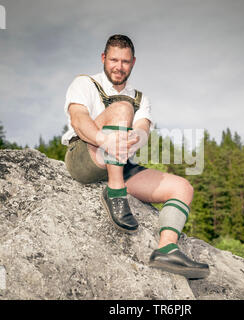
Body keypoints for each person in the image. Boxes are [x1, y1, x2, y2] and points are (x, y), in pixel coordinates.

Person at [62, 34, 209, 279]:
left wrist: (134, 139)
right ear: (103, 58)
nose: (119, 67)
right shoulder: (84, 83)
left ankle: (166, 250)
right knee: (122, 107)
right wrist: (103, 139)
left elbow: (142, 130)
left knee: (182, 187)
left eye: (125, 61)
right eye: (114, 60)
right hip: (86, 155)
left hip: (119, 160)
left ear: (134, 62)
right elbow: (79, 120)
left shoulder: (142, 98)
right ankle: (115, 192)